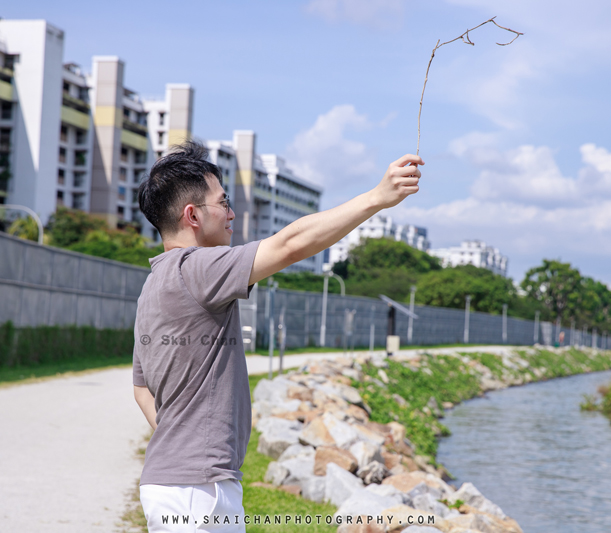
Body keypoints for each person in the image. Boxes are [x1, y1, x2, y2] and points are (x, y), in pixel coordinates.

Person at [133, 141, 422, 532]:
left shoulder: (154, 284)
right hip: (195, 491)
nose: (232, 213)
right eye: (224, 202)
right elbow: (289, 245)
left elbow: (141, 389)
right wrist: (376, 198)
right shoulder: (196, 267)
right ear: (192, 215)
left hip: (176, 481)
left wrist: (181, 437)